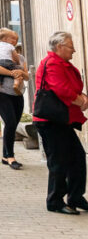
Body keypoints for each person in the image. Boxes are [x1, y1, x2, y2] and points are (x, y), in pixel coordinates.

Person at [34, 31, 88, 214]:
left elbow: (73, 88)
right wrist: (81, 100)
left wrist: (82, 97)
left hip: (60, 120)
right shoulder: (52, 64)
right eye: (71, 47)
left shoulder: (62, 64)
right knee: (58, 162)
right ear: (59, 47)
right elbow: (61, 89)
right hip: (50, 120)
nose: (73, 51)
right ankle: (55, 201)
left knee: (78, 159)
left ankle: (75, 196)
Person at [0, 27, 28, 169]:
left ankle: (5, 156)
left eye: (16, 39)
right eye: (12, 38)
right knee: (10, 123)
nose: (14, 41)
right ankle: (11, 157)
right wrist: (13, 73)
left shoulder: (20, 57)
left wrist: (20, 71)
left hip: (17, 95)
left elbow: (27, 76)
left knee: (13, 125)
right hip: (1, 94)